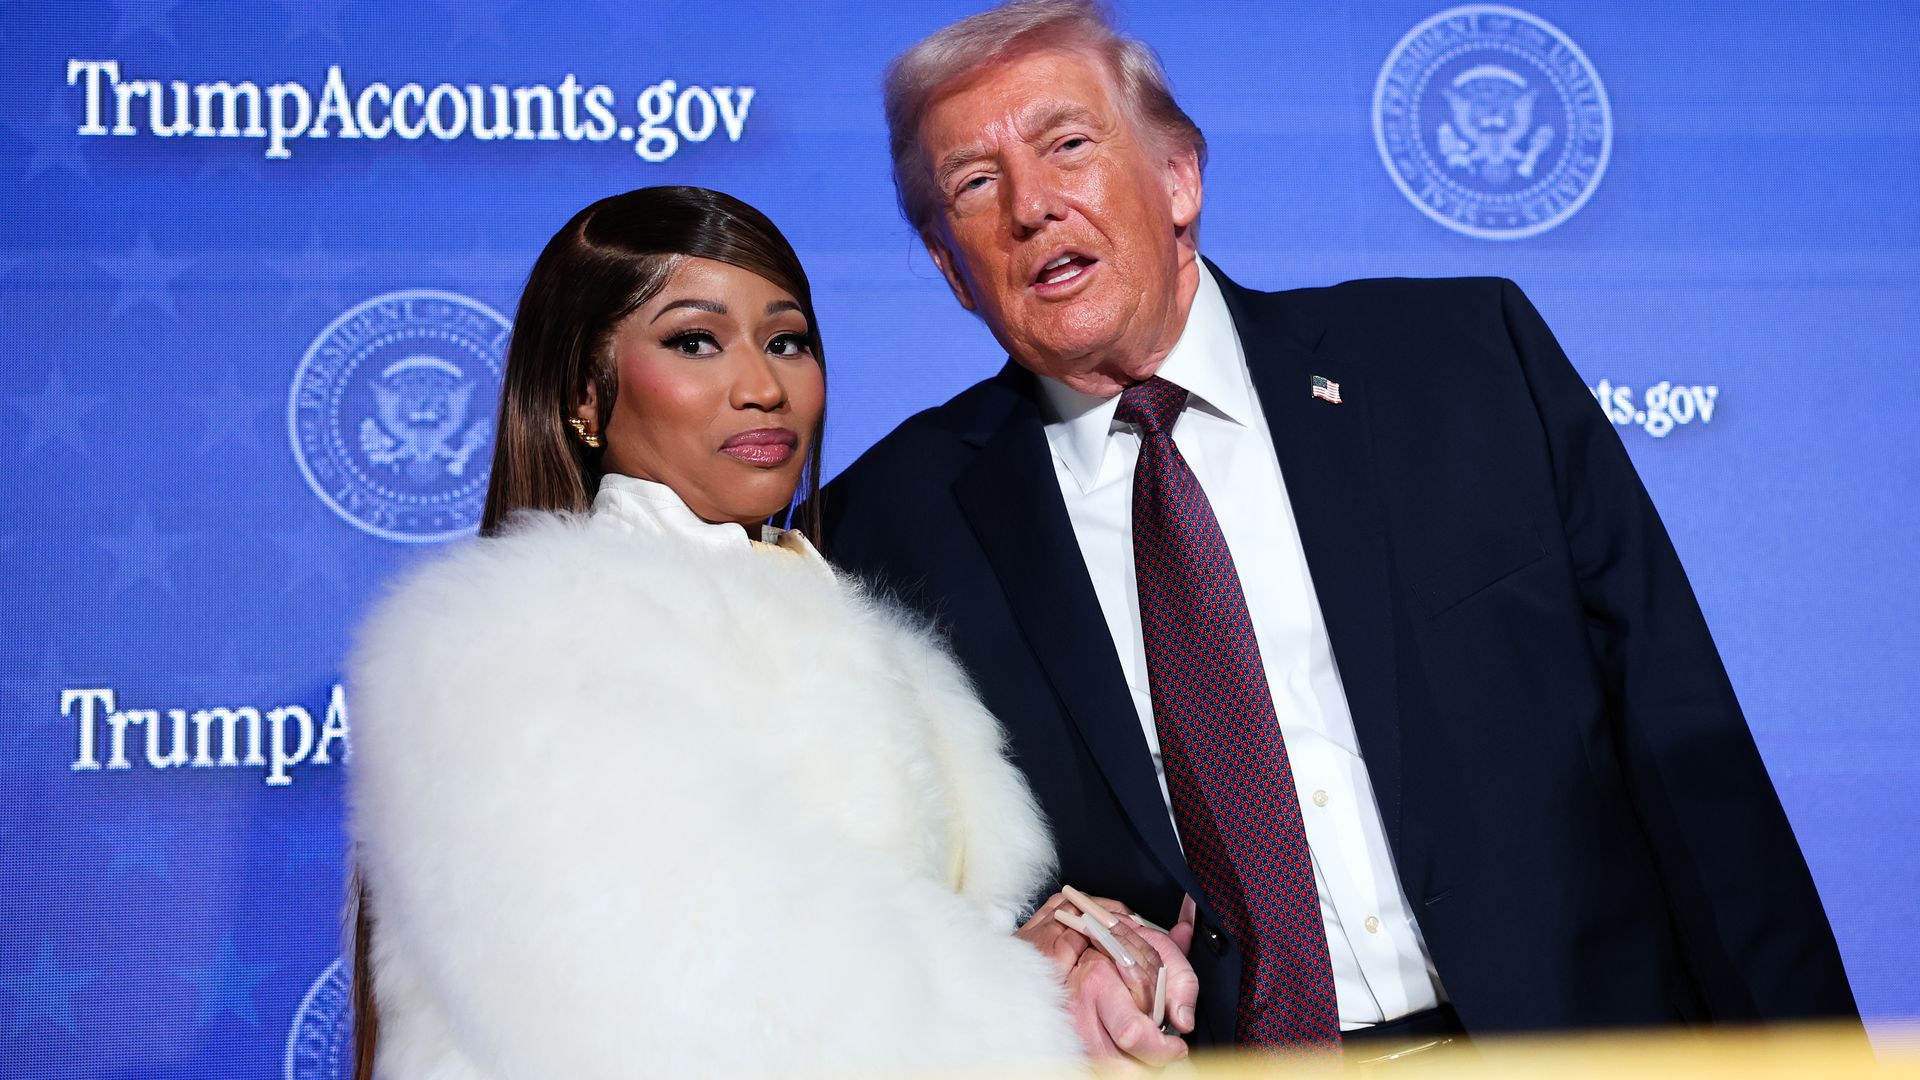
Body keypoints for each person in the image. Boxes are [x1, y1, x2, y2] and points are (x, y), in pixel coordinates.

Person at [821, 0, 1860, 1060]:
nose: (1032, 206)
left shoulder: (1462, 364)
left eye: (1068, 145)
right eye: (975, 185)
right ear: (950, 268)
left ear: (1178, 180)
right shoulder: (889, 527)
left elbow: (1697, 782)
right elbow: (886, 901)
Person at [344, 185, 1191, 1079]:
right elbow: (720, 1018)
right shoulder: (507, 647)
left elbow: (907, 956)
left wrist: (1070, 951)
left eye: (787, 341)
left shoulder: (862, 636)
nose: (762, 388)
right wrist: (1034, 1005)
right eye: (694, 342)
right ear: (583, 397)